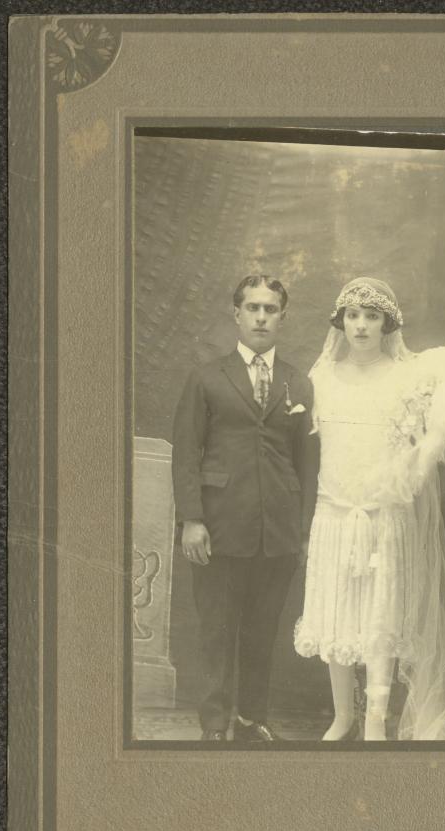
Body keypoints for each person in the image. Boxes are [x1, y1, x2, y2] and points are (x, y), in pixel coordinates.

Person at [294, 277, 445, 741]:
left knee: (380, 618)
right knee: (336, 613)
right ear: (341, 322)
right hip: (334, 512)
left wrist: (417, 463)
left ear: (387, 324)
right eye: (353, 316)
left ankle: (376, 721)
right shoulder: (320, 378)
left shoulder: (406, 378)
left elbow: (428, 439)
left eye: (372, 316)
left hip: (384, 516)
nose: (361, 326)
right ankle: (343, 716)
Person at [172, 274, 318, 742]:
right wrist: (191, 519)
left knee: (261, 630)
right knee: (216, 629)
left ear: (282, 318)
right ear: (236, 314)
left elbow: (308, 464)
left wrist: (304, 531)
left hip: (277, 531)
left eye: (270, 309)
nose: (260, 317)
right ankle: (215, 725)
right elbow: (185, 453)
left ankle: (253, 720)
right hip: (218, 526)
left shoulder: (299, 383)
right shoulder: (206, 377)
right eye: (252, 307)